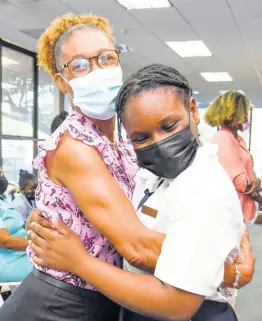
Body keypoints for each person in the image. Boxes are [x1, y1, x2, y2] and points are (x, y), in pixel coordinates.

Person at [26, 64, 255, 321]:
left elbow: (177, 304)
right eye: (141, 138)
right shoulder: (150, 174)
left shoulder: (203, 187)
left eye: (169, 126)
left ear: (192, 110)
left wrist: (79, 262)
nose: (159, 143)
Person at [205, 91, 262, 221]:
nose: (247, 117)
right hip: (232, 212)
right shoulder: (223, 138)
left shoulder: (238, 139)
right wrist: (261, 199)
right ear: (232, 114)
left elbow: (248, 174)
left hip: (243, 209)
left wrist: (257, 181)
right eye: (244, 113)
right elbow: (241, 182)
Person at [0, 169, 32, 283]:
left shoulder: (3, 200)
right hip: (5, 261)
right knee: (52, 271)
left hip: (18, 254)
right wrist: (38, 247)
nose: (2, 178)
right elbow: (4, 241)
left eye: (2, 174)